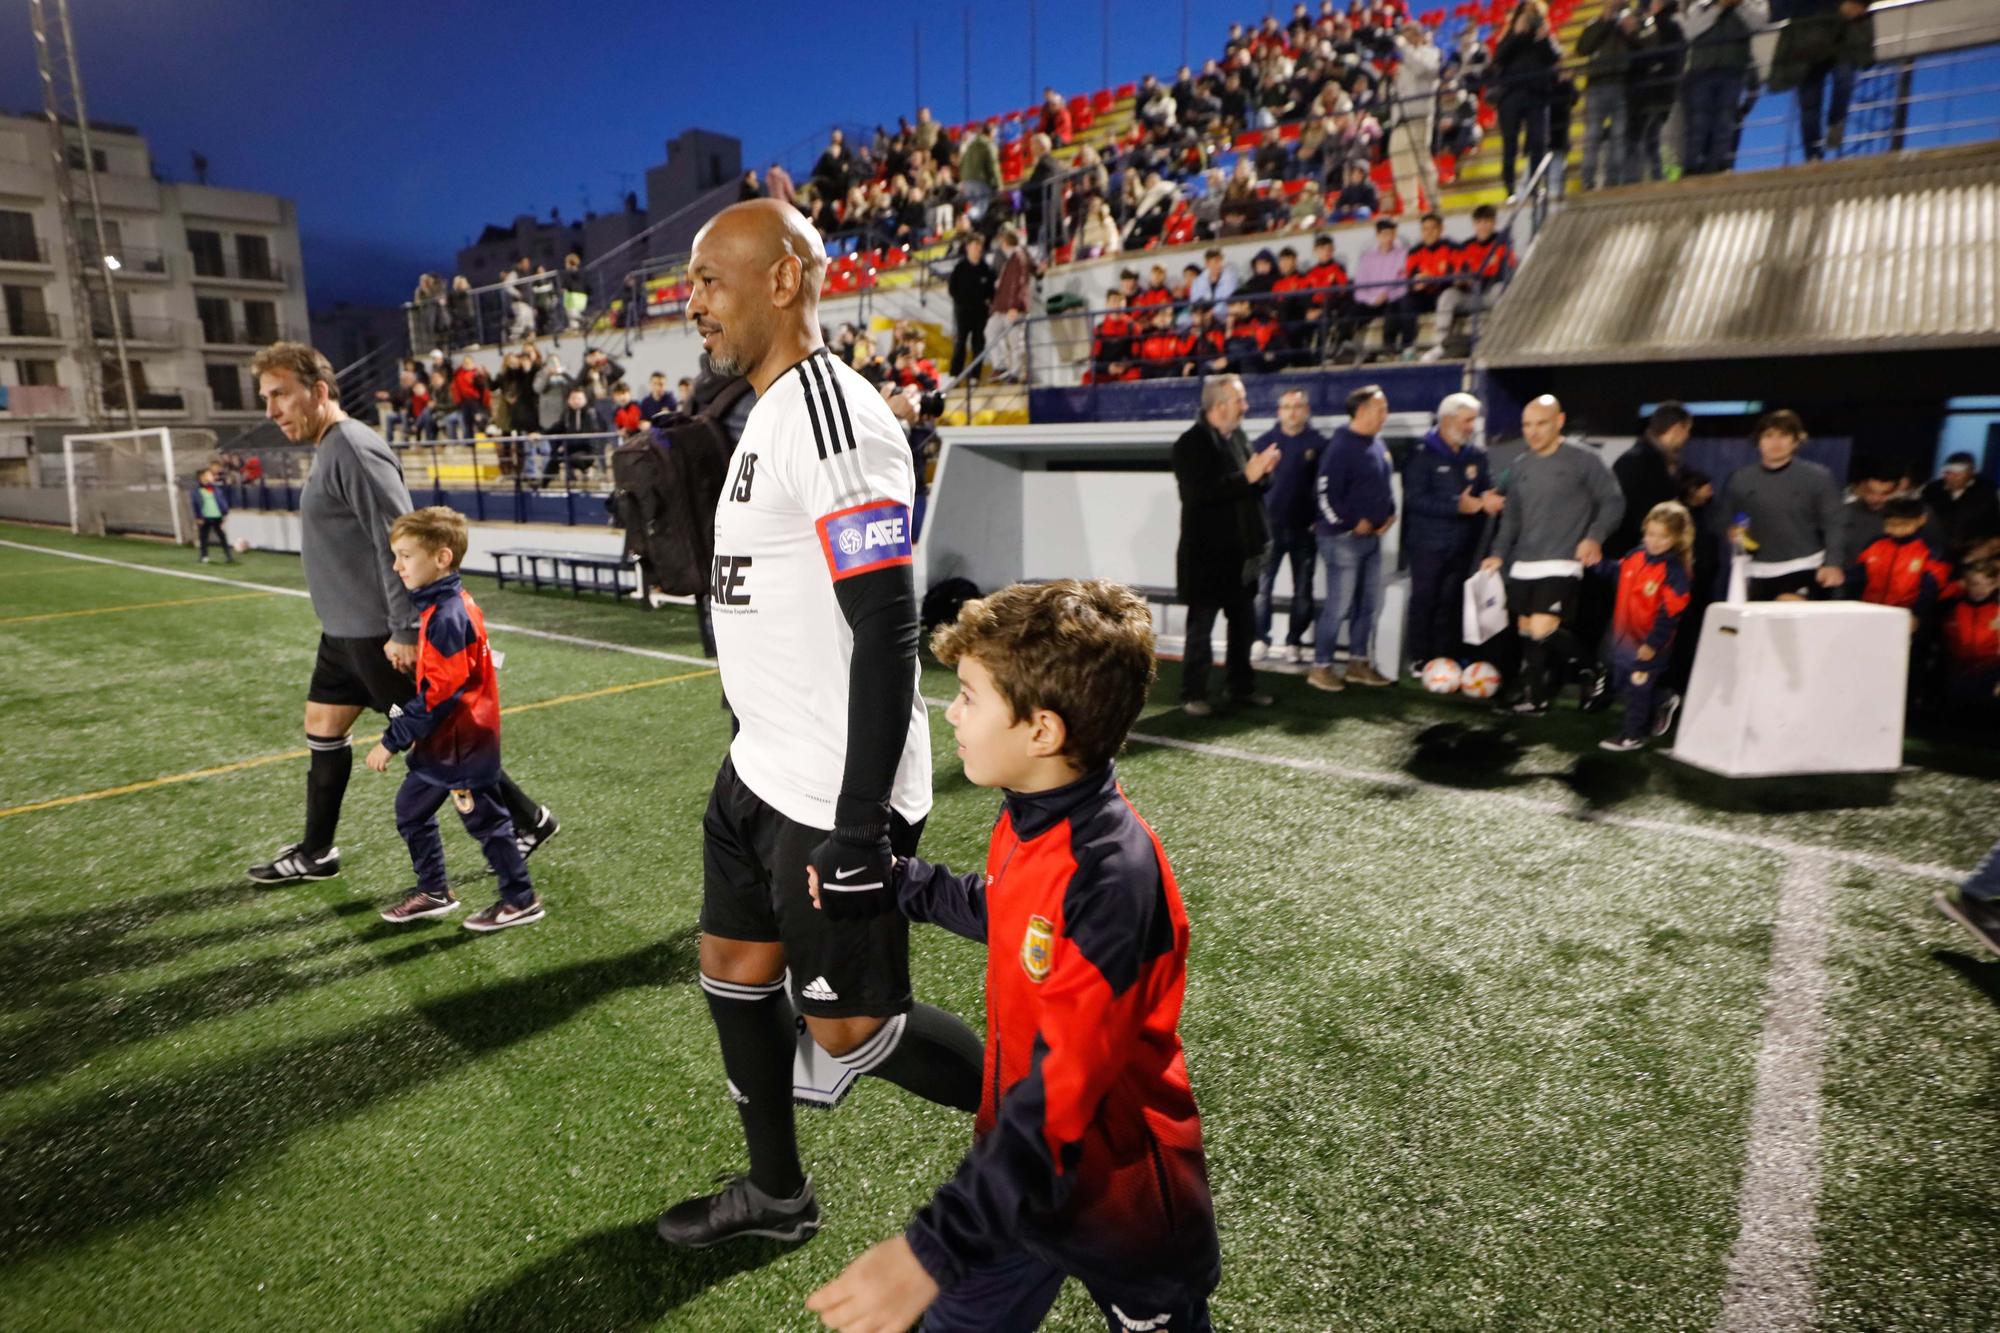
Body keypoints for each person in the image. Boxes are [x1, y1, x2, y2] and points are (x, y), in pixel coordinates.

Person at [658, 200, 986, 1250]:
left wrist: (858, 830)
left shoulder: (838, 416)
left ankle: (1058, 1132)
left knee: (853, 1029)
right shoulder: (765, 411)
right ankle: (775, 1196)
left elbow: (886, 626)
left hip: (832, 794)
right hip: (757, 770)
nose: (693, 301)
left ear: (785, 280)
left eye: (712, 278)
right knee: (732, 972)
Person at [805, 580, 1219, 1333]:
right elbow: (1011, 913)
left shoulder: (1113, 877)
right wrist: (902, 883)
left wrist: (930, 1249)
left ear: (1043, 731)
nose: (951, 713)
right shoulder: (1031, 815)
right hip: (1017, 1182)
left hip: (1121, 1199)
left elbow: (1065, 1092)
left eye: (968, 695)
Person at [244, 342, 557, 886]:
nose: (271, 409)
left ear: (318, 392)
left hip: (377, 636)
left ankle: (527, 821)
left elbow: (403, 540)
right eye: (265, 397)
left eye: (279, 395)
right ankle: (317, 852)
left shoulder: (354, 450)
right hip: (342, 633)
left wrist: (408, 628)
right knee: (322, 728)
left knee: (441, 742)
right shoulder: (330, 448)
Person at [364, 508, 542, 930]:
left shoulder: (448, 614)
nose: (397, 565)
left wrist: (392, 739)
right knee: (410, 811)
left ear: (442, 558)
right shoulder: (442, 605)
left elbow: (438, 698)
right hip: (442, 744)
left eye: (406, 555)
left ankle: (520, 899)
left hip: (461, 744)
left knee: (487, 825)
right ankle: (434, 890)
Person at [1480, 395, 1627, 715]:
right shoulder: (1520, 466)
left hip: (1562, 560)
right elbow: (1512, 518)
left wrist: (1593, 538)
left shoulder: (1584, 459)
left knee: (1542, 629)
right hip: (1524, 563)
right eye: (1527, 425)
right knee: (1526, 631)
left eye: (1540, 424)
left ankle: (1595, 670)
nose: (1532, 432)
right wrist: (1498, 555)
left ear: (1559, 422)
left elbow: (1613, 501)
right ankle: (1536, 698)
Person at [1173, 375, 1280, 716]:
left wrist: (1263, 474)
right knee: (1201, 630)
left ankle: (1240, 688)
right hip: (1206, 557)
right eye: (1240, 401)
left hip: (1241, 554)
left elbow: (1249, 487)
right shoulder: (1190, 444)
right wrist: (1247, 477)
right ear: (1219, 406)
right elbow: (1200, 495)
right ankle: (1193, 693)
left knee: (1243, 626)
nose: (1245, 407)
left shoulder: (1239, 438)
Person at [1307, 385, 1397, 691]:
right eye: (1380, 409)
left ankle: (1358, 663)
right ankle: (1321, 667)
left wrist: (1390, 513)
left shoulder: (1376, 442)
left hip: (1372, 538)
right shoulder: (1341, 447)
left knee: (1368, 604)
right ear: (1361, 411)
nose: (1385, 415)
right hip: (1342, 541)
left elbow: (1383, 484)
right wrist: (1349, 523)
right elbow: (1323, 495)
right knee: (1340, 605)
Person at [1402, 392, 1499, 671]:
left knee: (1452, 601)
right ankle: (1419, 657)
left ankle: (1444, 656)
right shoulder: (1421, 453)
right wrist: (1457, 505)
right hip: (1427, 544)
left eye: (1473, 421)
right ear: (1447, 420)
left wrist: (1490, 499)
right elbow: (1414, 499)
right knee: (1425, 600)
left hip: (1463, 543)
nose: (1471, 426)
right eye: (1467, 420)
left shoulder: (1476, 455)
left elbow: (1485, 490)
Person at [1597, 501, 1694, 751]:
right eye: (1651, 534)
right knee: (1623, 684)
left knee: (1637, 689)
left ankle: (1633, 735)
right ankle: (1663, 699)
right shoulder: (1635, 555)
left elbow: (1670, 614)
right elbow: (1616, 572)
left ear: (1676, 538)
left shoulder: (1674, 572)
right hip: (1622, 641)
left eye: (1663, 536)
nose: (1655, 541)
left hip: (1650, 645)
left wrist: (1652, 644)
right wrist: (1596, 563)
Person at [1720, 409, 1847, 601]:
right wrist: (1729, 530)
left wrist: (1833, 563)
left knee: (1792, 618)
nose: (1776, 443)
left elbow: (1835, 522)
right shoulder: (1740, 479)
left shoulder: (1818, 477)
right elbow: (1723, 517)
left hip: (1804, 566)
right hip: (1756, 571)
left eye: (1784, 436)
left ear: (1796, 441)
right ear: (1758, 441)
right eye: (1769, 436)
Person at [1252, 390, 1327, 663]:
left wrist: (1319, 519)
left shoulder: (1319, 444)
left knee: (1303, 589)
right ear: (1278, 412)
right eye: (1286, 407)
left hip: (1304, 530)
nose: (1292, 412)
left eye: (1297, 406)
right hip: (1269, 529)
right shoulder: (1264, 442)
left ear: (1306, 410)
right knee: (1261, 588)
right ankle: (1260, 638)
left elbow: (1324, 486)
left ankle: (1294, 641)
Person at [1770, 0, 1874, 162]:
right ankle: (1812, 155)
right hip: (1806, 39)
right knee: (1810, 105)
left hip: (1842, 34)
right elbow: (1778, 9)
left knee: (1843, 79)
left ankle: (1836, 121)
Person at [1681, 0, 1769, 176]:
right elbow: (1690, 31)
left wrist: (1738, 5)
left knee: (1725, 122)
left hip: (1732, 69)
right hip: (1701, 71)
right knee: (1698, 122)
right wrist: (1718, 8)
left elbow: (1759, 24)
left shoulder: (1752, 4)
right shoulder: (1701, 5)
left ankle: (1718, 168)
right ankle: (1692, 168)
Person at [1492, 2, 1562, 199]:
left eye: (1534, 13)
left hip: (1537, 95)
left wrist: (1543, 38)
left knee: (1538, 141)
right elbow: (1499, 57)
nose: (1530, 17)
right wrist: (1516, 34)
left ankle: (1535, 185)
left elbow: (1555, 57)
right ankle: (1510, 188)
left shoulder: (1545, 35)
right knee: (1510, 142)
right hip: (1511, 94)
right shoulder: (1511, 33)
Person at [1611, 400, 1693, 556]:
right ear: (1677, 429)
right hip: (1637, 558)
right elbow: (1627, 512)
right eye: (1687, 430)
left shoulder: (1655, 460)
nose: (1688, 436)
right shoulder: (1638, 461)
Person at [1576, 1, 1637, 190]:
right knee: (1593, 135)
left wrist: (1630, 31)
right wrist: (1604, 22)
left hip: (1622, 85)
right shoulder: (1594, 24)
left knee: (1618, 136)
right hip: (1597, 85)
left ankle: (1613, 180)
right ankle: (1588, 179)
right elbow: (1583, 48)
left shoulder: (1631, 21)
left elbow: (1640, 48)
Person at [1389, 22, 1443, 212]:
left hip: (1419, 115)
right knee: (1400, 163)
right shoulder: (1401, 62)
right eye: (1403, 33)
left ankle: (1434, 203)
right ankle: (1410, 208)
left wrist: (1404, 49)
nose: (1404, 37)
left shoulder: (1430, 52)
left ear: (1418, 34)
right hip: (1399, 118)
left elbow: (1425, 70)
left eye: (1408, 32)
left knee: (1421, 160)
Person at [1351, 219, 1414, 356]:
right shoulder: (1367, 258)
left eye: (1392, 234)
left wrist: (1387, 295)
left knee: (1396, 306)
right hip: (1371, 302)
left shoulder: (1403, 254)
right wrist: (1373, 299)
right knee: (1351, 310)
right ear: (1378, 236)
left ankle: (1390, 348)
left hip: (1392, 299)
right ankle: (1344, 347)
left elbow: (1403, 282)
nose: (1389, 238)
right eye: (1385, 234)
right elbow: (1359, 288)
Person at [1922, 452, 2000, 563]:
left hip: (1973, 553)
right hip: (1934, 552)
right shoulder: (1932, 490)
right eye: (1948, 473)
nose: (1951, 478)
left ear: (1971, 472)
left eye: (1958, 474)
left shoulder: (1988, 492)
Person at [985, 227, 1033, 384]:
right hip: (1002, 307)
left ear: (1005, 241)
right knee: (990, 331)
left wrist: (1014, 305)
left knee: (1015, 341)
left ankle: (1016, 373)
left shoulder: (1018, 255)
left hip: (1013, 308)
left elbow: (1018, 283)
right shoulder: (1013, 257)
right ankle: (1001, 366)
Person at [947, 233, 997, 377]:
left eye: (979, 245)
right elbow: (952, 289)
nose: (977, 248)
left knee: (978, 344)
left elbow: (991, 291)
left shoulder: (986, 269)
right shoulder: (959, 268)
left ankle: (975, 376)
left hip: (980, 313)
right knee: (960, 342)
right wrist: (961, 302)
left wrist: (987, 302)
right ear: (968, 247)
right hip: (963, 312)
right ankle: (955, 374)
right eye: (974, 245)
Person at [190, 467, 235, 564]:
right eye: (209, 475)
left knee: (222, 536)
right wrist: (198, 517)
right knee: (203, 537)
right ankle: (204, 556)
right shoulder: (196, 491)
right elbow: (195, 505)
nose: (212, 476)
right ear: (202, 477)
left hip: (217, 516)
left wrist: (225, 513)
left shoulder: (216, 489)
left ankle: (228, 556)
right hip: (205, 517)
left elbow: (222, 501)